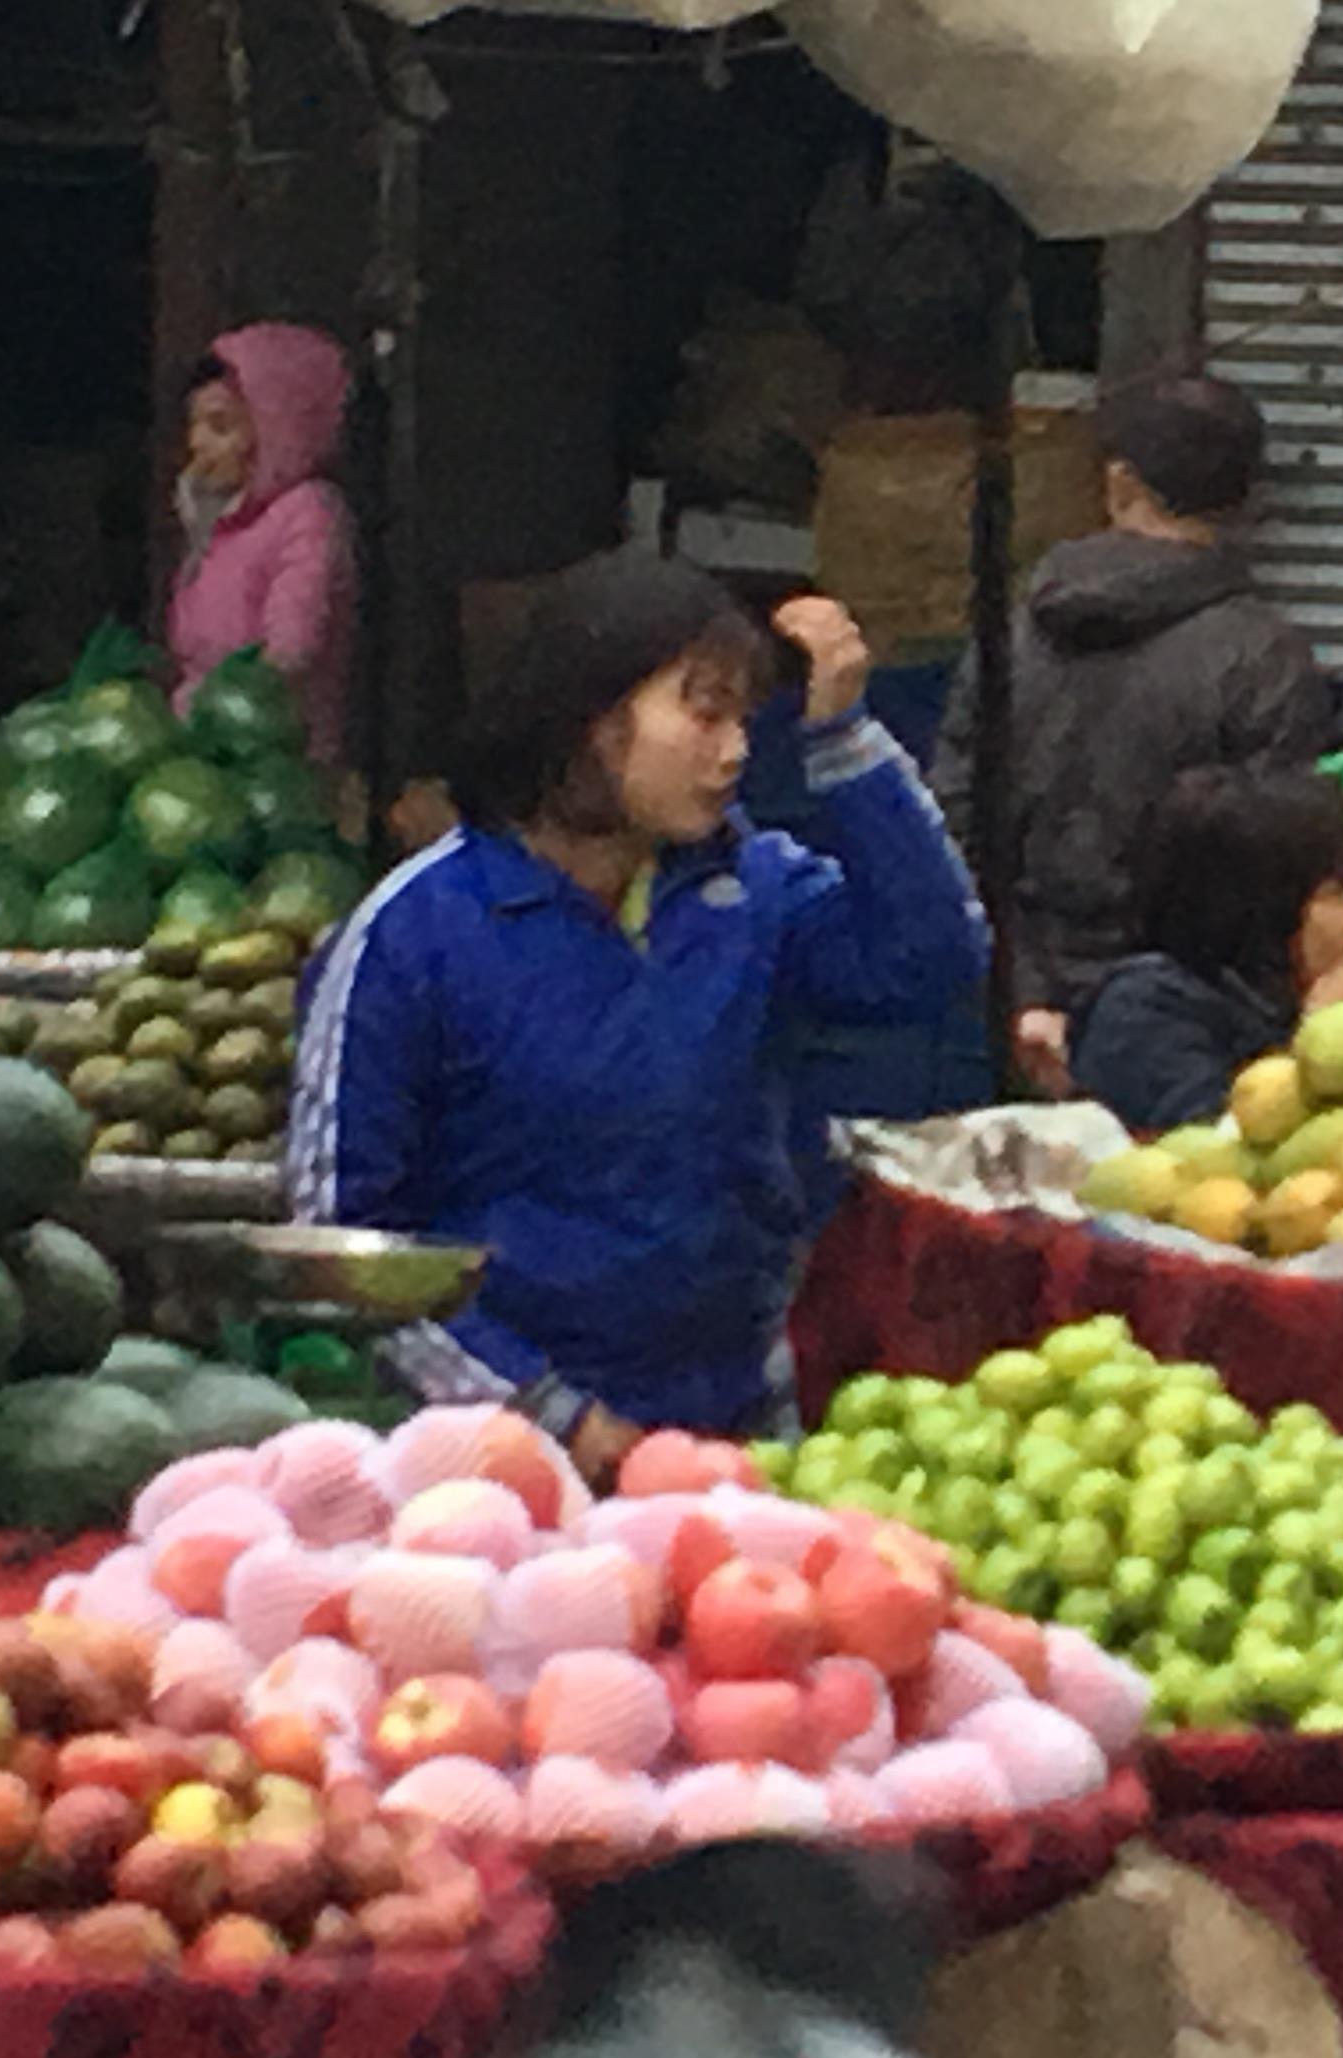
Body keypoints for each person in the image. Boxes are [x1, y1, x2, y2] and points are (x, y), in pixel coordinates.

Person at [285, 554, 985, 1473]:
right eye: (702, 712)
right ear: (590, 722)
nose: (735, 749)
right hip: (493, 1466)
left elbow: (936, 958)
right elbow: (342, 1241)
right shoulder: (411, 936)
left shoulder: (754, 892)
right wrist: (556, 1418)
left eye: (742, 717)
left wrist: (845, 739)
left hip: (739, 1423)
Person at [930, 369, 1339, 1086]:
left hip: (1009, 1019)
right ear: (1248, 499)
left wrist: (1021, 996)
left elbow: (952, 822)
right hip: (1186, 1040)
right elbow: (1268, 880)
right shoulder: (1267, 657)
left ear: (1118, 484)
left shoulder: (1014, 633)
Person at [1069, 764, 1343, 1134]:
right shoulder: (1144, 1010)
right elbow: (1210, 1155)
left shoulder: (1272, 1003)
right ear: (1265, 906)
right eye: (1334, 895)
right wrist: (1322, 1041)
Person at [167, 323, 361, 764]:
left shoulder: (309, 513)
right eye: (193, 424)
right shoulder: (218, 520)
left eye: (221, 425)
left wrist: (213, 723)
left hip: (276, 760)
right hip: (204, 753)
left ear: (279, 429)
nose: (197, 443)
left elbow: (290, 654)